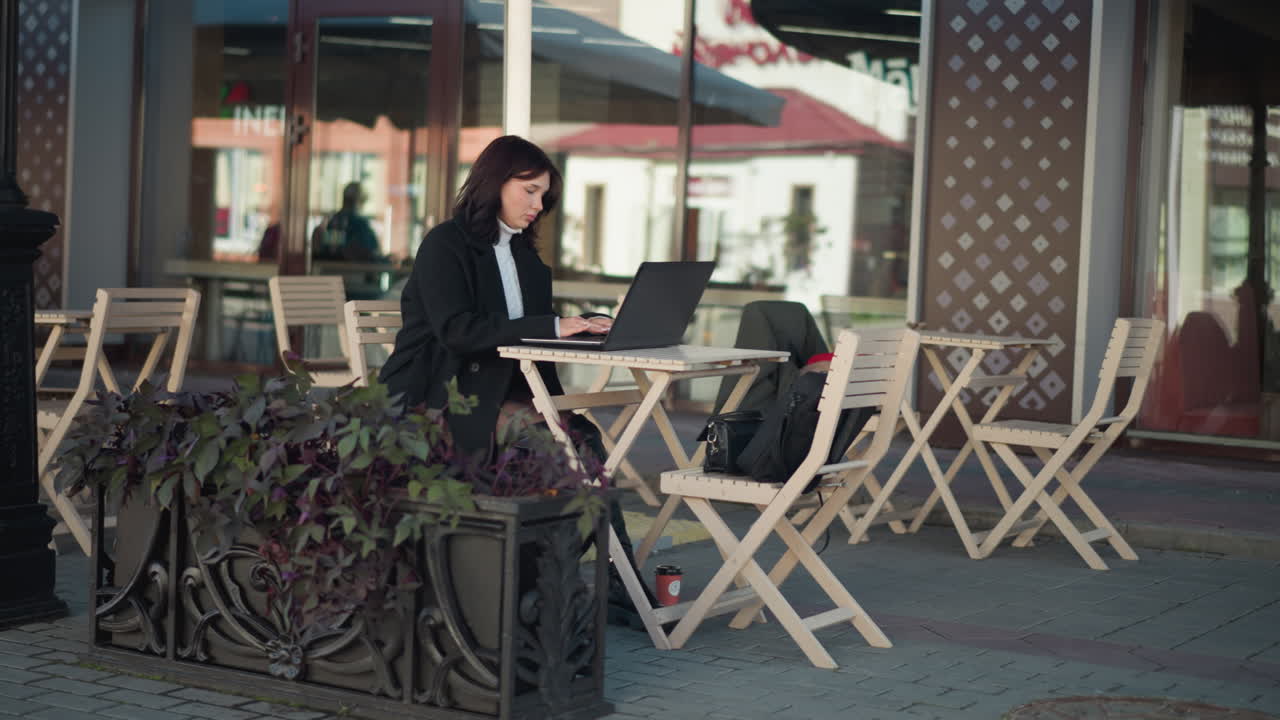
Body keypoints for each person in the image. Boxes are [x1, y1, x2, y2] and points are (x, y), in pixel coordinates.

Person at [379, 136, 654, 626]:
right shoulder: (446, 244)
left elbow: (530, 339)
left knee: (581, 436)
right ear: (495, 182)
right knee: (567, 443)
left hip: (503, 396)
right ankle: (589, 580)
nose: (538, 204)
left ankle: (611, 577)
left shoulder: (527, 260)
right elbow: (458, 331)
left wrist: (586, 330)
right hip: (440, 399)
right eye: (528, 190)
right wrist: (551, 327)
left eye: (544, 195)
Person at [312, 182, 381, 262]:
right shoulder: (360, 224)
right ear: (359, 201)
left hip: (329, 270)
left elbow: (328, 251)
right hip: (355, 271)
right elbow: (373, 252)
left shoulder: (332, 221)